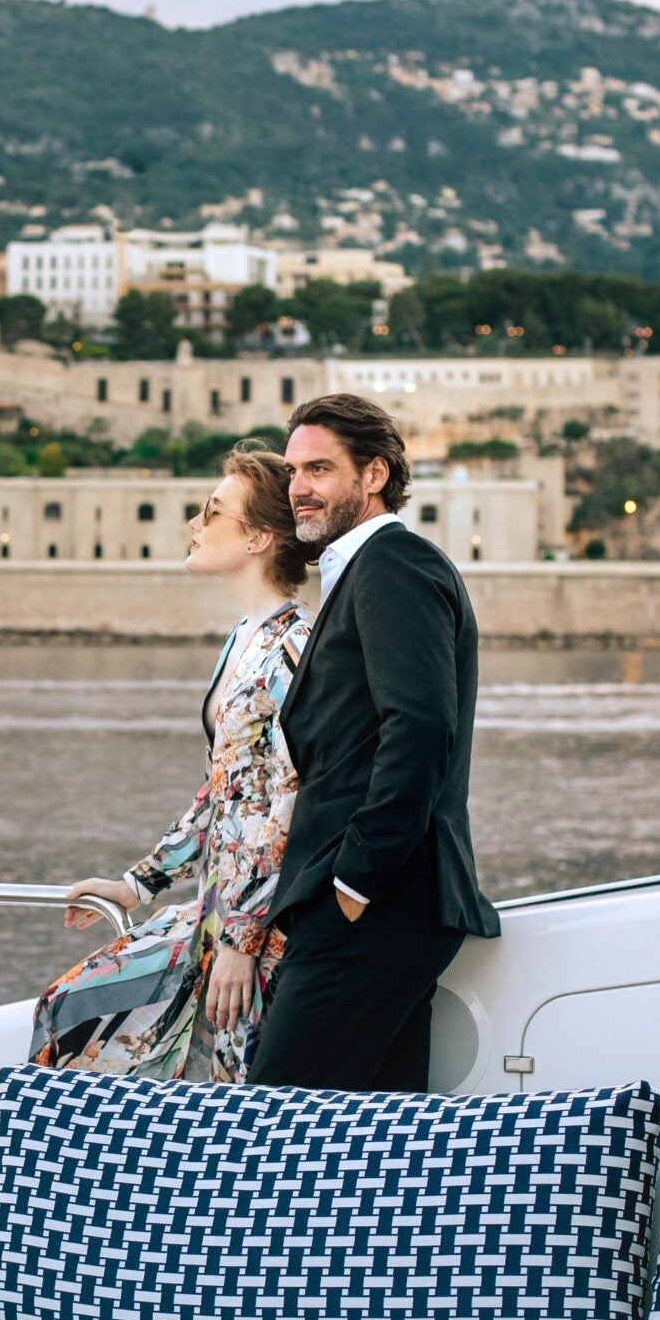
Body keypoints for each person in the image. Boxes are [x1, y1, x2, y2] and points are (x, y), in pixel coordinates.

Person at [30, 447, 315, 1082]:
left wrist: (241, 942)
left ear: (259, 538)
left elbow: (284, 808)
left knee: (233, 1093)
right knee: (66, 1015)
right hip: (219, 914)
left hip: (254, 935)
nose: (195, 523)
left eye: (212, 512)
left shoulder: (291, 650)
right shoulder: (243, 639)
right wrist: (138, 884)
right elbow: (225, 790)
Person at [246, 392, 502, 1092]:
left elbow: (418, 727)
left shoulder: (394, 564)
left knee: (275, 1123)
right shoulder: (362, 571)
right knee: (373, 1144)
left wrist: (356, 882)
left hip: (376, 908)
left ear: (374, 475)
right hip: (377, 908)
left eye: (320, 469)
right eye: (294, 470)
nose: (298, 486)